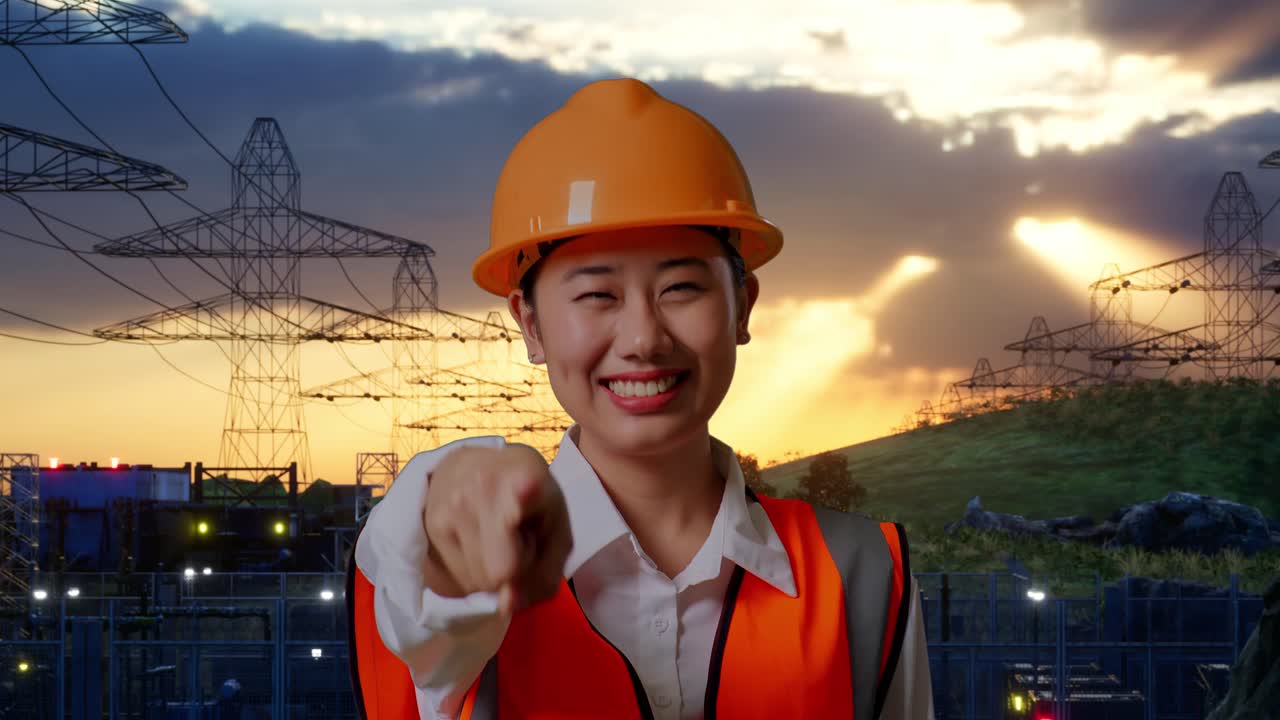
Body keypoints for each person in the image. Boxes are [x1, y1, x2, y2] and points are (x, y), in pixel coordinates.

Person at [348, 77, 936, 719]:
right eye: (597, 295)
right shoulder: (459, 570)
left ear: (744, 306)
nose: (643, 339)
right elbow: (409, 568)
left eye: (681, 288)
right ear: (531, 325)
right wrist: (456, 492)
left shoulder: (861, 573)